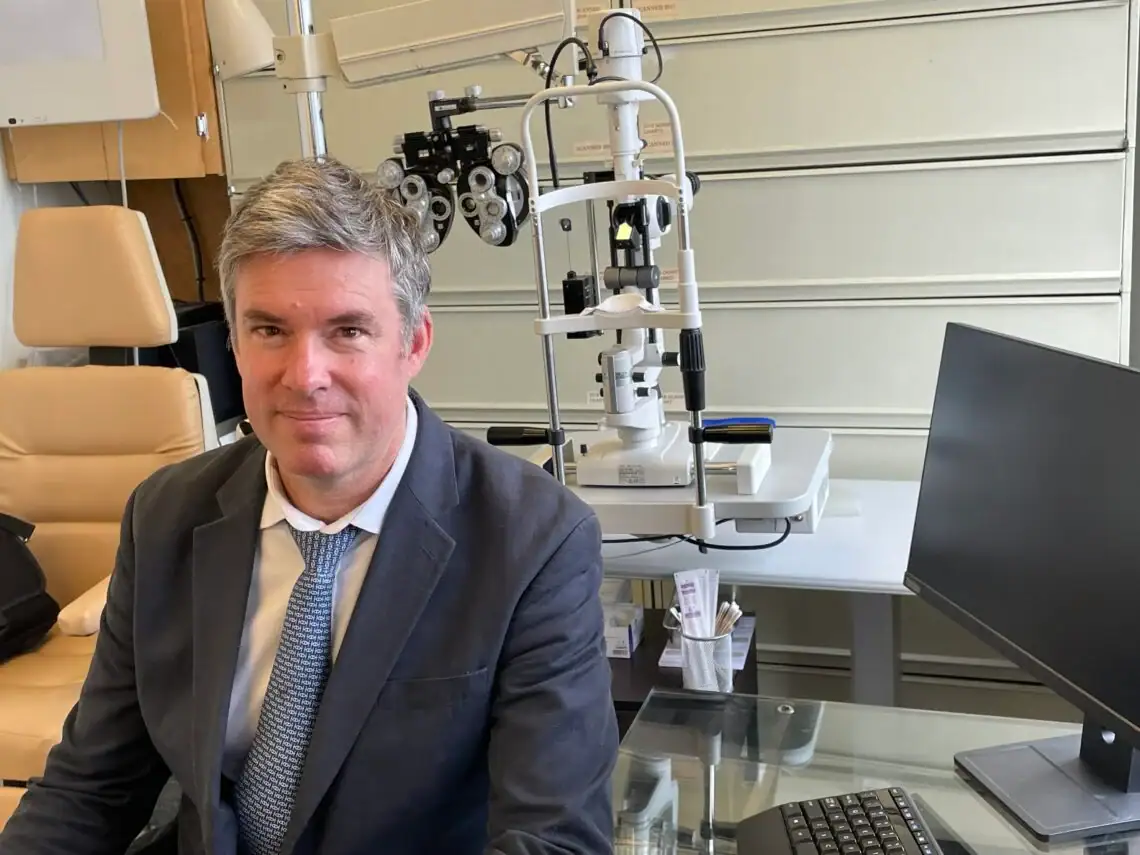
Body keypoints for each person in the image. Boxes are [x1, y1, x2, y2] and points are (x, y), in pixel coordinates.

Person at [0, 157, 619, 855]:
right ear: (232, 344)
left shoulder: (534, 540)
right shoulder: (165, 516)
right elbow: (92, 786)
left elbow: (555, 839)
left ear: (413, 342)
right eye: (269, 330)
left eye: (348, 330)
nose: (305, 376)